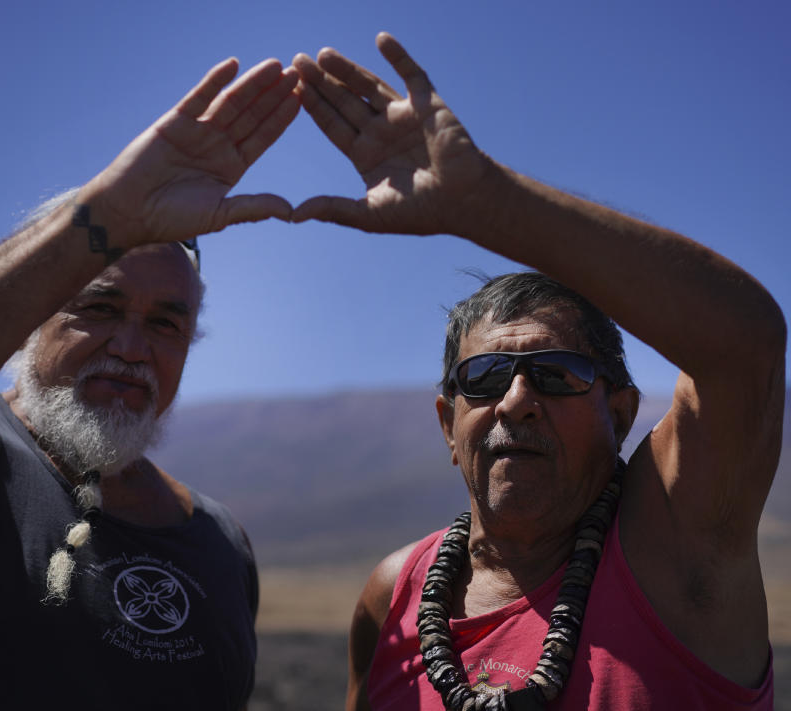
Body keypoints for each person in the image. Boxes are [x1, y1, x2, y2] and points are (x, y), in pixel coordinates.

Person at [291, 33, 784, 710]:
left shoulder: (675, 546)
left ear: (618, 412)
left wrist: (489, 205)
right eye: (487, 376)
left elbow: (746, 346)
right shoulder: (392, 594)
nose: (517, 400)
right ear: (447, 422)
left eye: (555, 374)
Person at [0, 57, 300, 709]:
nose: (131, 347)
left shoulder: (222, 541)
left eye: (166, 323)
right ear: (27, 322)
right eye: (99, 308)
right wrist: (100, 216)